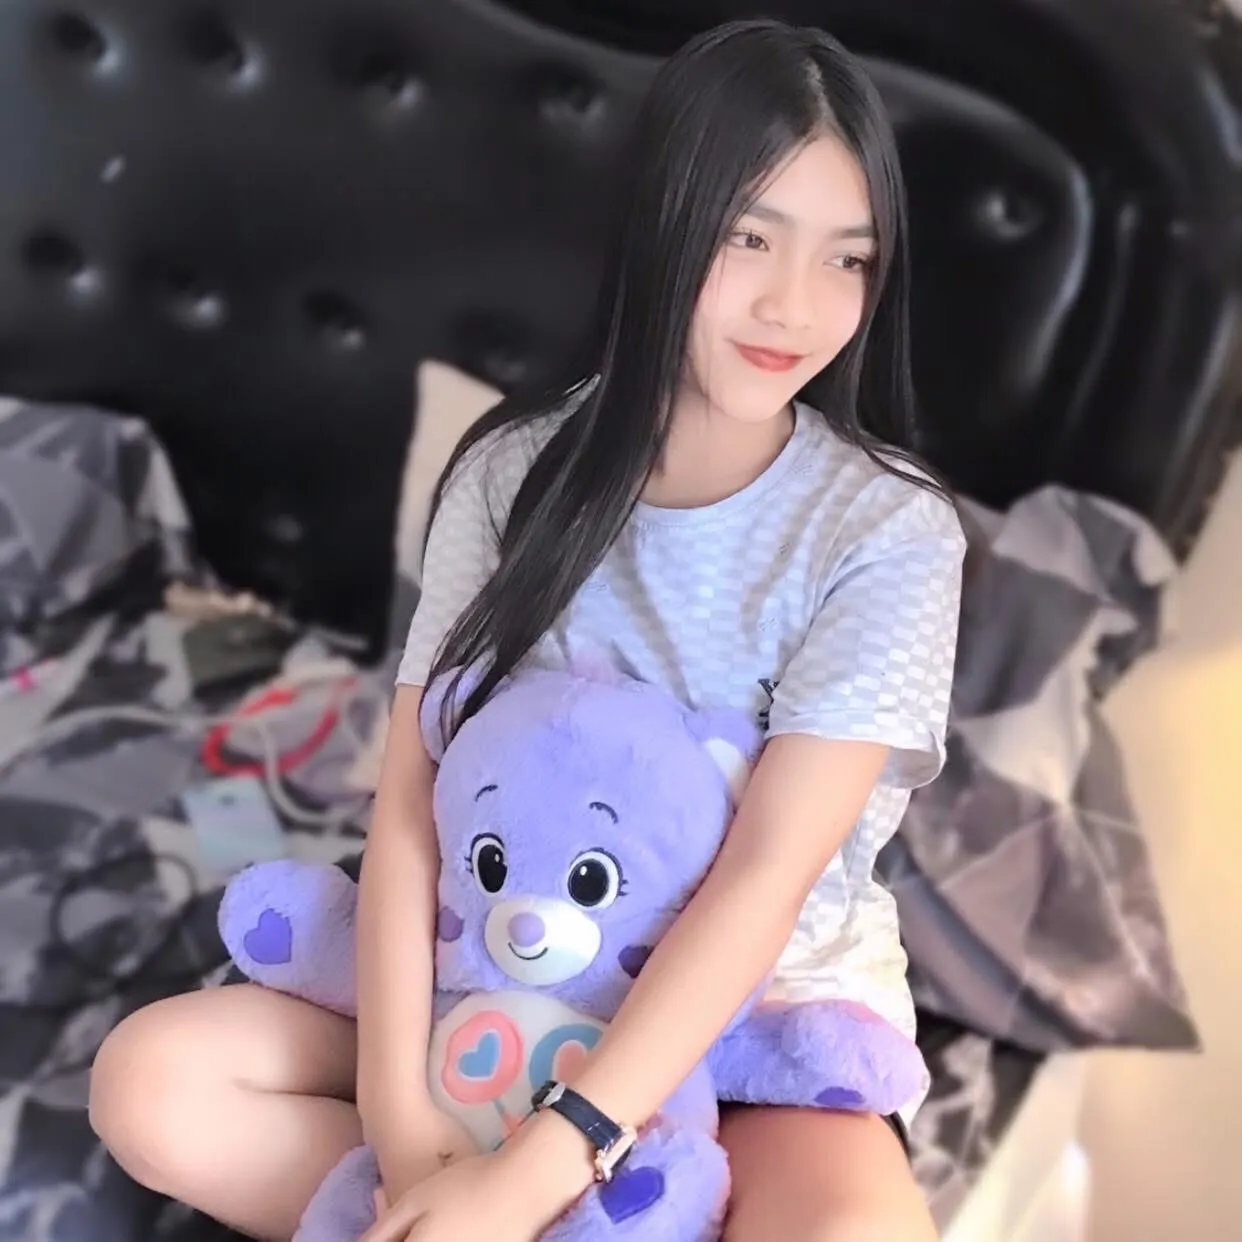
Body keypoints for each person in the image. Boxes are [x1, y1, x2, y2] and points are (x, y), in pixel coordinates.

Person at [89, 18, 964, 1242]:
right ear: (663, 221)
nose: (795, 304)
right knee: (150, 1082)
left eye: (847, 259)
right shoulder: (510, 473)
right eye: (749, 237)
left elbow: (765, 877)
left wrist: (539, 1165)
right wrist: (405, 1125)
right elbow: (409, 814)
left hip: (747, 1024)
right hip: (491, 975)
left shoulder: (887, 531)